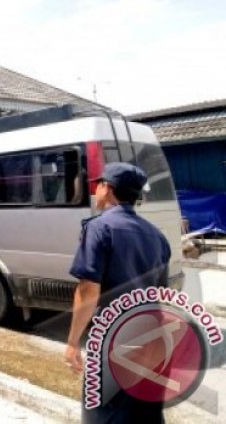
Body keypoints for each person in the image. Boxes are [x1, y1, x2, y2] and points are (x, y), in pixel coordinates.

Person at [64, 162, 171, 423]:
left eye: (97, 185)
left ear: (107, 188)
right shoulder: (157, 236)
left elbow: (88, 289)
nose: (95, 190)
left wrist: (72, 342)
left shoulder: (100, 228)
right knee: (145, 416)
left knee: (104, 415)